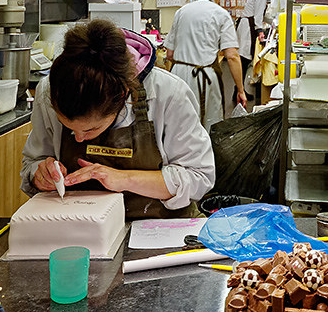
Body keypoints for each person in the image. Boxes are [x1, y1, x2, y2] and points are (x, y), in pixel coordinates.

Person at [21, 19, 215, 219]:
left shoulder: (168, 94)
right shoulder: (48, 90)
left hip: (158, 228)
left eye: (90, 130)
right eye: (68, 127)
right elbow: (33, 161)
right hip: (81, 228)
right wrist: (39, 173)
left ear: (122, 97)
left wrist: (124, 179)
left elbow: (199, 177)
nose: (78, 139)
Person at [164, 0, 246, 128]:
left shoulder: (182, 11)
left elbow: (170, 53)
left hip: (178, 76)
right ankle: (204, 152)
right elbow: (232, 56)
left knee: (178, 122)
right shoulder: (221, 14)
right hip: (205, 77)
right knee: (207, 124)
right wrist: (240, 89)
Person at [235, 0, 275, 103]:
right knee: (245, 58)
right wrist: (260, 31)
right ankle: (239, 90)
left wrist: (273, 21)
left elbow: (261, 16)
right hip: (249, 27)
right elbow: (258, 16)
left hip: (247, 25)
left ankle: (239, 89)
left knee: (244, 58)